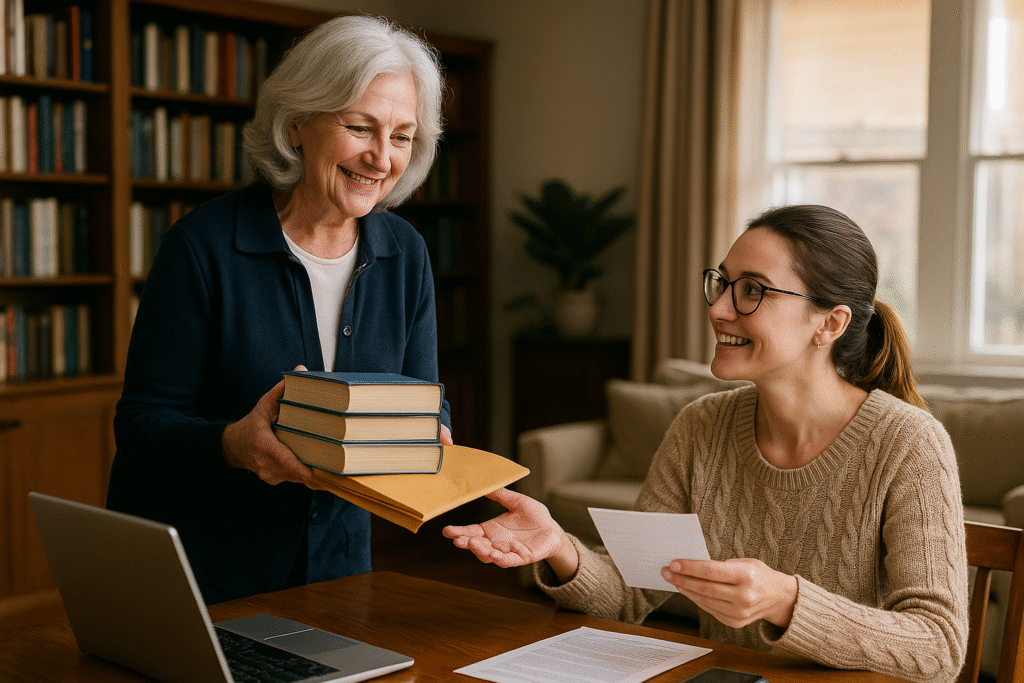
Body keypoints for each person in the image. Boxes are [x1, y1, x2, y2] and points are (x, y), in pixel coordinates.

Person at [443, 205, 968, 683]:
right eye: (722, 283)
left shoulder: (908, 442)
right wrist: (558, 544)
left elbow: (939, 647)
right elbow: (630, 594)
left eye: (753, 289)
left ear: (829, 323)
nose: (718, 308)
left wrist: (785, 600)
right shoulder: (701, 426)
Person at [107, 15, 452, 604]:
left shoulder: (406, 252)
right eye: (360, 128)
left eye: (401, 136)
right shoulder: (203, 246)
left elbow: (425, 394)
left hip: (338, 573)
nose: (380, 158)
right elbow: (141, 426)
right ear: (297, 125)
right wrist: (233, 444)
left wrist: (432, 430)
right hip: (208, 579)